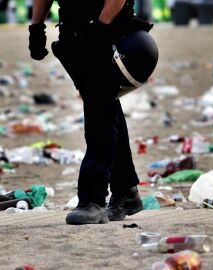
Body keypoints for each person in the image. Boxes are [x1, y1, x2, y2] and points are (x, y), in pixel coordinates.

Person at [28, 0, 146, 225]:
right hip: (75, 34)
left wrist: (102, 27)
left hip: (109, 30)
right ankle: (125, 192)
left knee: (100, 110)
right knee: (103, 104)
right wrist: (36, 26)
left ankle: (93, 200)